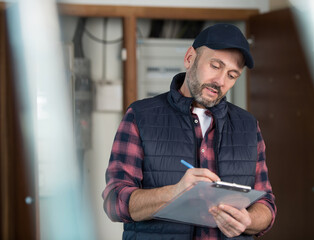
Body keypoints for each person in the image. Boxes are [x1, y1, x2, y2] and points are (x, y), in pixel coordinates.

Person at [102, 23, 276, 240]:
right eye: (215, 66)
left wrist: (249, 221)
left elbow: (266, 205)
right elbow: (114, 202)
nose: (220, 81)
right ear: (189, 58)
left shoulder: (248, 126)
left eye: (232, 75)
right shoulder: (140, 116)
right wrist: (174, 193)